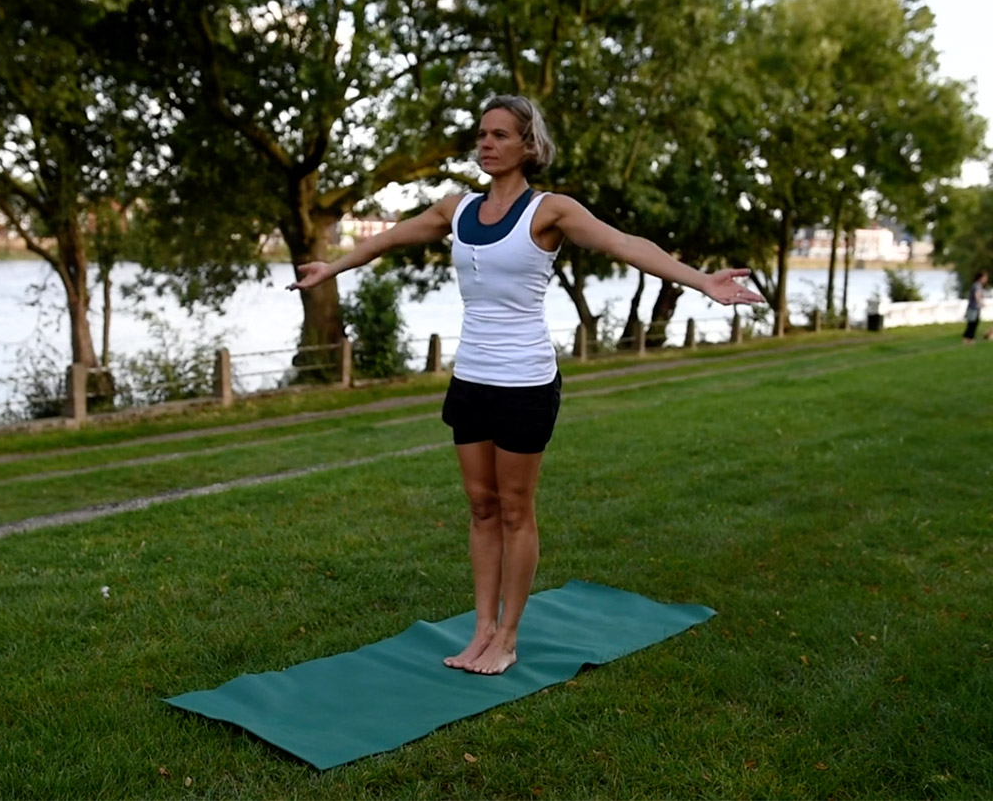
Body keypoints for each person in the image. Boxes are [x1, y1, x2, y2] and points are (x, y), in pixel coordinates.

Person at [289, 94, 764, 676]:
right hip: (471, 379)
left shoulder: (550, 211)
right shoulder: (456, 209)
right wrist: (331, 267)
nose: (486, 144)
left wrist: (700, 281)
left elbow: (625, 245)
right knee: (481, 507)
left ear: (528, 146)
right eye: (481, 134)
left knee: (515, 508)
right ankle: (481, 628)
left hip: (525, 381)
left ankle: (508, 638)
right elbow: (390, 237)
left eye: (499, 135)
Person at [963, 270, 987, 343]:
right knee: (972, 323)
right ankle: (969, 338)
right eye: (985, 277)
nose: (986, 279)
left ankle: (968, 338)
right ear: (980, 278)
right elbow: (977, 295)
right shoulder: (977, 285)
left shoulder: (976, 285)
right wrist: (981, 303)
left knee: (973, 322)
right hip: (973, 307)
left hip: (973, 307)